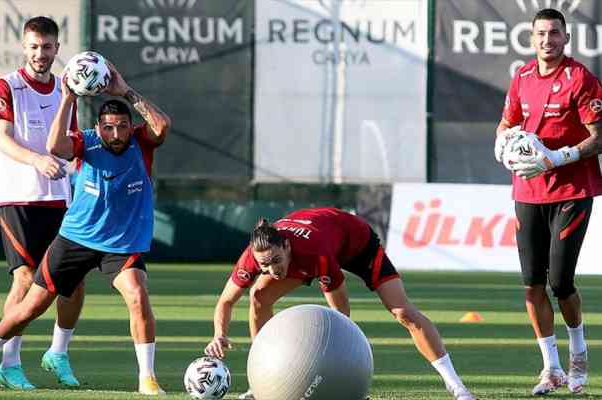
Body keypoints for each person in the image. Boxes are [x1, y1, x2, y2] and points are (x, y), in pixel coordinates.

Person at [0, 60, 172, 395]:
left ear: (130, 126)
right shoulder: (85, 141)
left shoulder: (140, 143)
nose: (115, 134)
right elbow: (53, 146)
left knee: (137, 294)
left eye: (121, 127)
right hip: (75, 239)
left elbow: (162, 126)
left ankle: (147, 377)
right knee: (31, 306)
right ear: (98, 127)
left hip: (121, 244)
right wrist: (68, 98)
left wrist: (127, 91)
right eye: (108, 127)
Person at [205, 207, 476, 400]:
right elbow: (226, 301)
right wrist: (219, 334)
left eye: (276, 260)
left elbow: (341, 316)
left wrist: (338, 362)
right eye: (265, 265)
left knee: (403, 312)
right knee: (259, 296)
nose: (273, 269)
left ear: (287, 247)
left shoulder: (315, 254)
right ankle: (261, 383)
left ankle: (457, 388)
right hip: (321, 241)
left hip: (357, 242)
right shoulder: (253, 258)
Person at [494, 8, 602, 396]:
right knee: (531, 286)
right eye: (540, 33)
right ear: (531, 38)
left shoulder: (581, 79)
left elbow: (599, 136)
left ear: (565, 38)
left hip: (572, 192)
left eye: (554, 33)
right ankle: (551, 369)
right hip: (527, 192)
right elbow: (507, 123)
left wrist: (558, 157)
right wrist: (500, 142)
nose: (547, 40)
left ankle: (578, 355)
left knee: (560, 282)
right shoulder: (521, 77)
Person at [0, 16, 85, 390]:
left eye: (48, 46)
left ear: (56, 48)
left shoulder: (66, 91)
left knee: (73, 282)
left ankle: (59, 352)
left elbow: (72, 143)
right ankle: (10, 363)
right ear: (24, 47)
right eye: (34, 46)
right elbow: (2, 139)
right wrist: (37, 160)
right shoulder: (7, 86)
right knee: (25, 280)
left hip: (60, 199)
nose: (41, 53)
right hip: (17, 197)